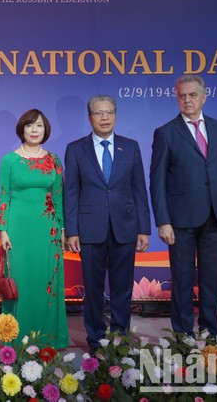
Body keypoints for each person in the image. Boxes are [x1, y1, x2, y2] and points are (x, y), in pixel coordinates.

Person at [150, 75, 217, 338]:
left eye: (192, 95)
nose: (187, 100)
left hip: (216, 217)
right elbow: (157, 181)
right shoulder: (165, 133)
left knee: (212, 280)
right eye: (182, 96)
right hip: (180, 221)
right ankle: (182, 334)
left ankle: (210, 332)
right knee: (182, 280)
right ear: (176, 97)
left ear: (204, 96)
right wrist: (162, 220)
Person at [63, 95, 150, 354]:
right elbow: (71, 193)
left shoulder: (131, 147)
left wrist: (144, 228)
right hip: (90, 229)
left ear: (116, 115)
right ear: (89, 117)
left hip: (125, 227)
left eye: (109, 112)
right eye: (99, 113)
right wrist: (72, 230)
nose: (104, 118)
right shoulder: (76, 149)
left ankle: (121, 336)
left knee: (123, 287)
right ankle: (96, 337)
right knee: (93, 288)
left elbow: (139, 189)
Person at [0, 109, 68, 349]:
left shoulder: (54, 160)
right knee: (20, 280)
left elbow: (58, 197)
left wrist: (62, 228)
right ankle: (15, 338)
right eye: (30, 126)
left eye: (39, 125)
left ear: (45, 129)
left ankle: (49, 338)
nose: (35, 130)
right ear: (22, 130)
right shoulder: (9, 160)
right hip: (17, 227)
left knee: (46, 280)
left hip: (47, 229)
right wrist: (2, 229)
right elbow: (4, 195)